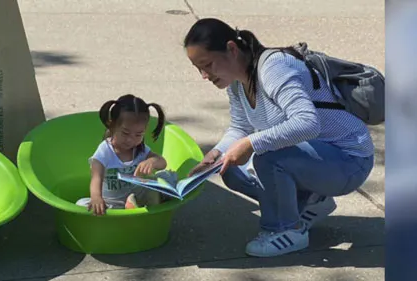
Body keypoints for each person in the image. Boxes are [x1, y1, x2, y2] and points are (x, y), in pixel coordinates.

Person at [183, 18, 374, 257]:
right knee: (228, 169)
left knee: (268, 157)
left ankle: (287, 231)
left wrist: (251, 143)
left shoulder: (274, 68)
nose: (203, 75)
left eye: (207, 64)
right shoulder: (235, 82)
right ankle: (312, 202)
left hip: (350, 160)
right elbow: (240, 128)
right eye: (198, 68)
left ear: (232, 49)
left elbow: (307, 122)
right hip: (314, 158)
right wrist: (216, 155)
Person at [76, 94, 167, 216]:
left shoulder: (140, 150)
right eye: (125, 133)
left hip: (136, 197)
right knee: (81, 204)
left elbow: (163, 163)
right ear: (112, 125)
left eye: (138, 135)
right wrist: (96, 197)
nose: (130, 140)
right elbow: (96, 177)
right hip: (111, 203)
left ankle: (141, 203)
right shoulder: (105, 150)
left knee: (163, 178)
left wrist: (153, 161)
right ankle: (138, 207)